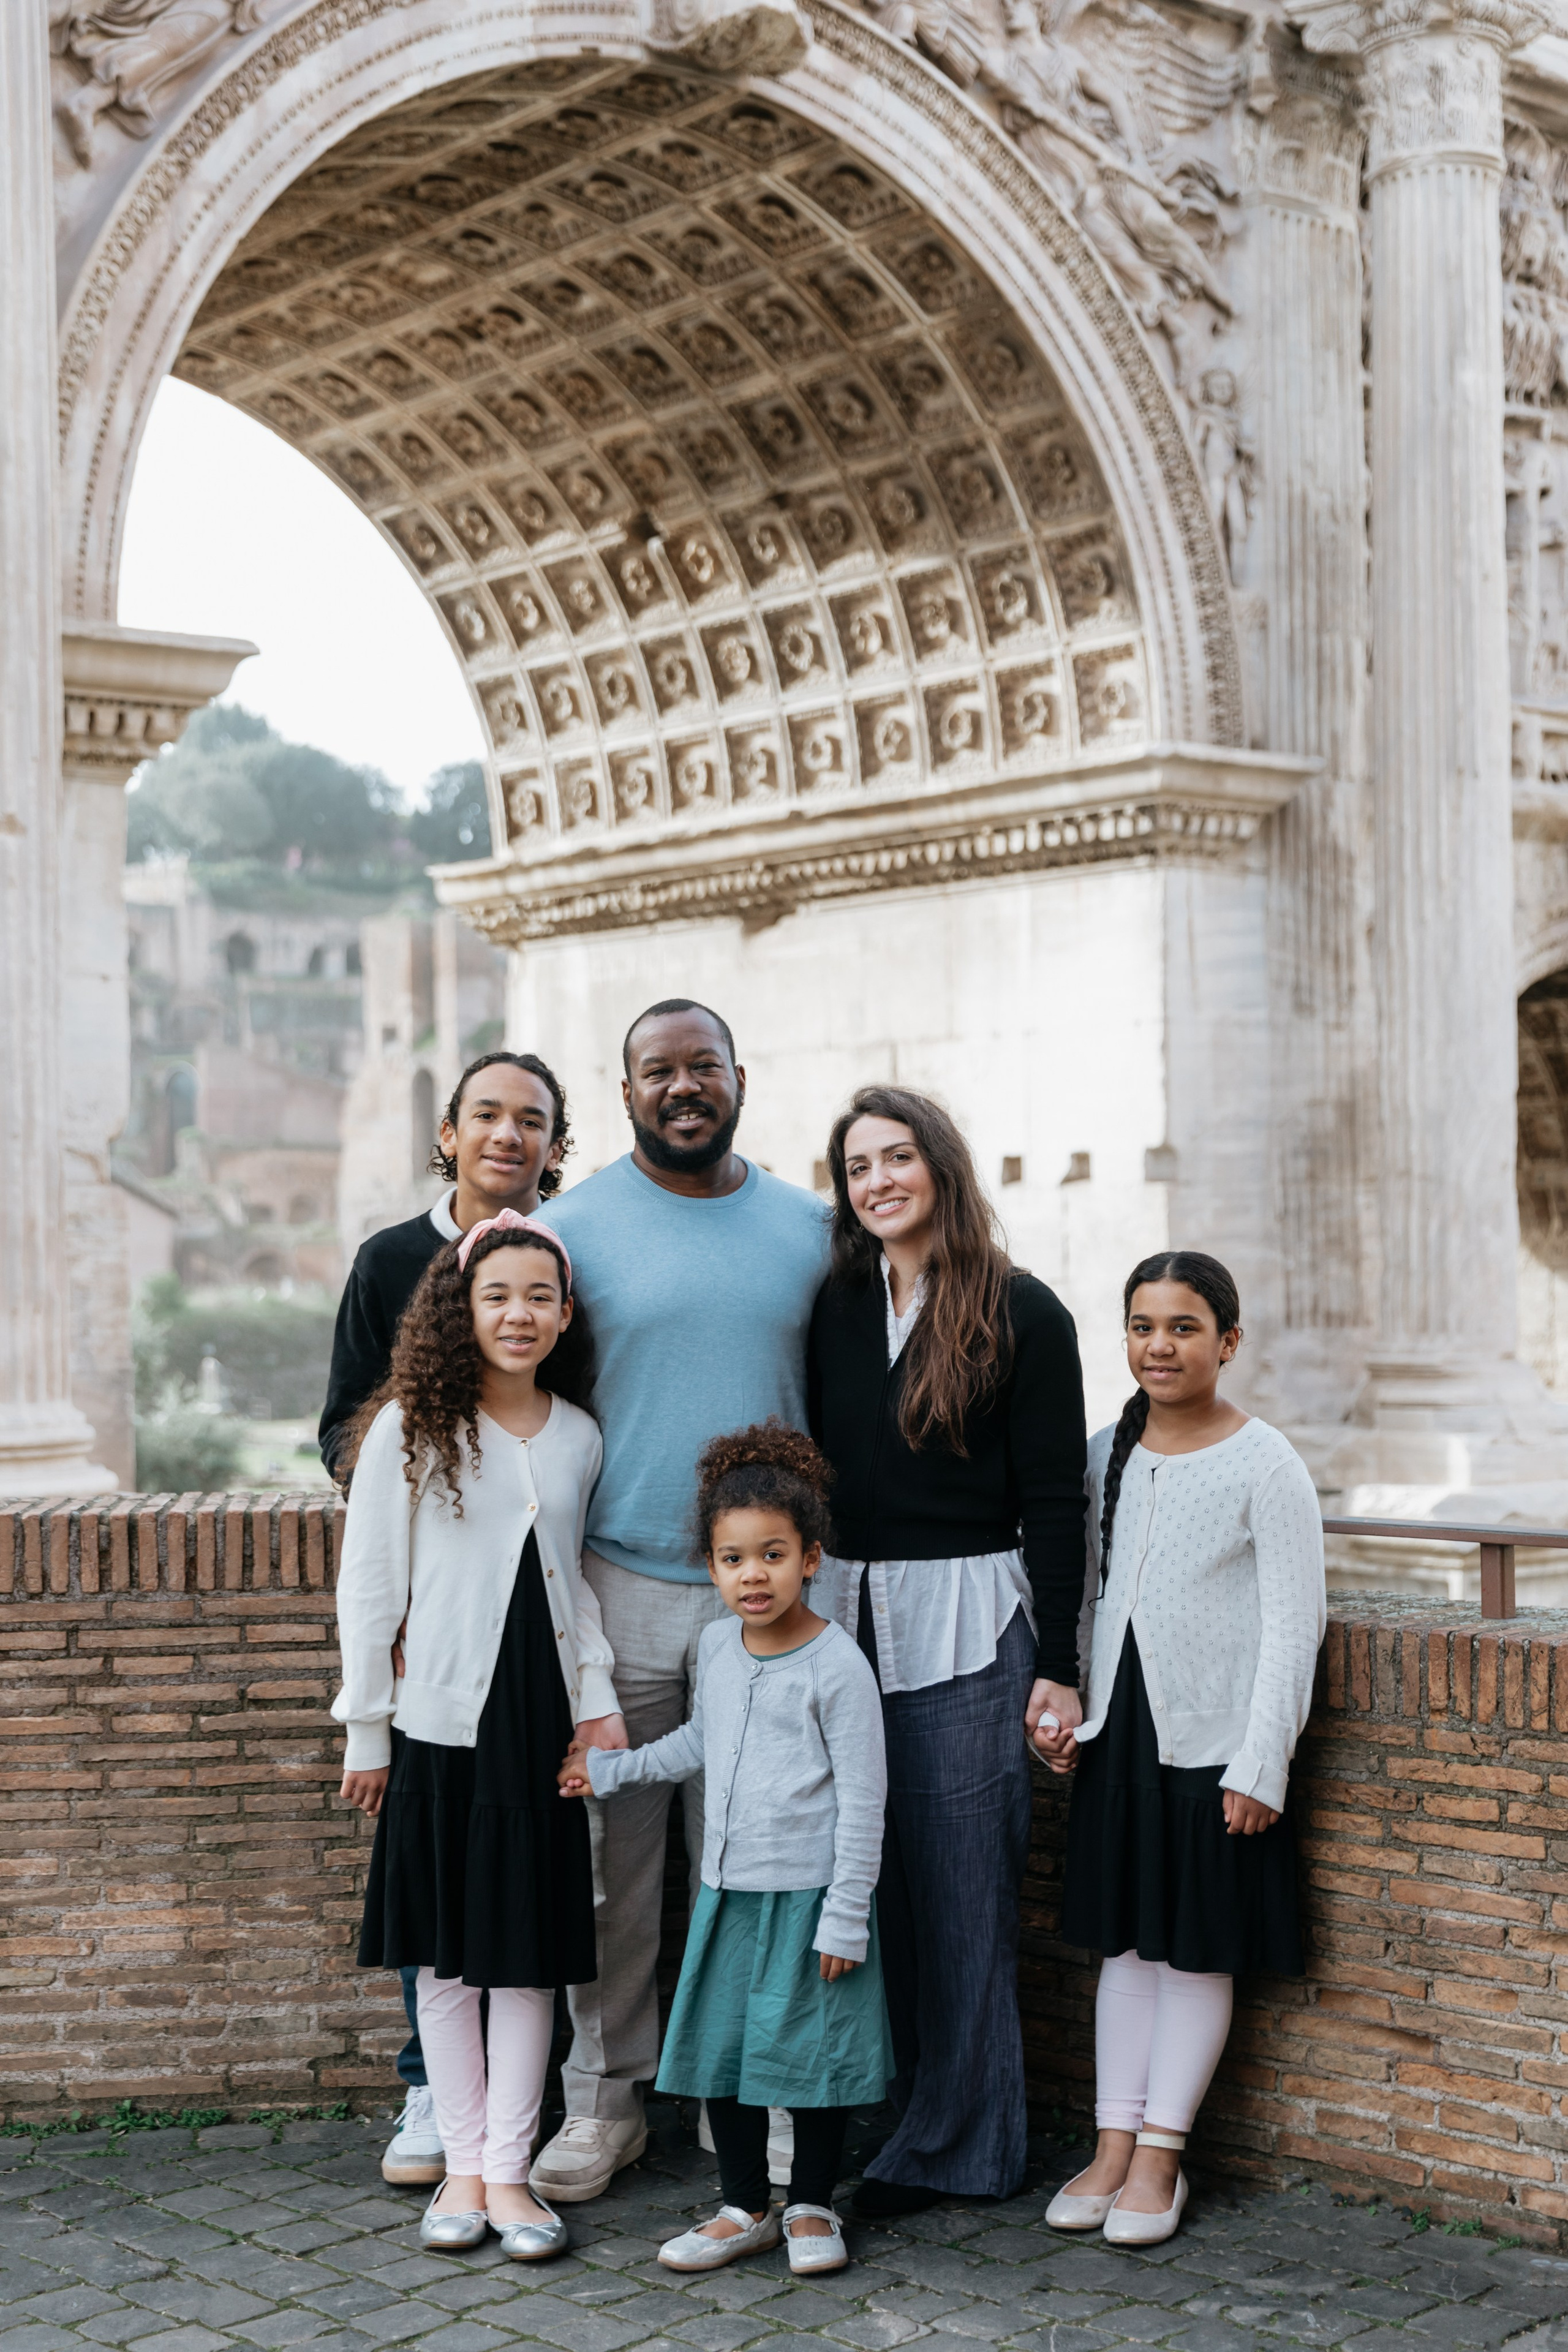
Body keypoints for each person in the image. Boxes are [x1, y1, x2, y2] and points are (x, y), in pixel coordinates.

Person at [530, 999, 831, 2204]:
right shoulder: (572, 1229)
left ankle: (739, 2098)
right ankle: (602, 2105)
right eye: (658, 1072)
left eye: (701, 1066)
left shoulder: (812, 1230)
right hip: (617, 1585)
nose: (682, 1088)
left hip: (765, 1606)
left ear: (739, 1078)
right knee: (610, 1873)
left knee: (753, 1866)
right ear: (627, 1094)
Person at [807, 1085, 1087, 2215]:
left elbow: (1058, 1503)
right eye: (858, 1166)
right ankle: (903, 2120)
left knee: (967, 1895)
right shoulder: (834, 1305)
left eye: (897, 1157)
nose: (879, 1181)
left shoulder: (1025, 1312)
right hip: (843, 1617)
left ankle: (965, 2150)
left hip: (973, 1627)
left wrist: (1059, 1664)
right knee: (873, 1893)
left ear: (943, 1168)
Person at [333, 1208, 625, 2258]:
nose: (519, 1313)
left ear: (564, 1314)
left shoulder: (581, 1434)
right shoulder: (410, 1426)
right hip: (440, 1722)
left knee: (529, 1959)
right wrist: (368, 1729)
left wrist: (598, 1709)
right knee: (452, 1963)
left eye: (539, 1297)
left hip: (539, 1723)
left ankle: (511, 2172)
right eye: (497, 1294)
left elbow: (574, 1586)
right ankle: (460, 2168)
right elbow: (369, 1586)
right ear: (462, 1307)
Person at [1036, 1251, 1324, 2247]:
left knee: (1195, 1949)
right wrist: (1068, 1708)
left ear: (1228, 1342)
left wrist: (1263, 1760)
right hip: (1122, 1730)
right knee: (1126, 1943)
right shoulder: (1104, 1448)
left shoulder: (1266, 1462)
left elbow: (1296, 1623)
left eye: (1185, 1327)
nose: (1160, 1345)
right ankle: (1112, 2144)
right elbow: (1083, 1594)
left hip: (1214, 1744)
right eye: (1143, 1326)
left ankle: (1163, 2152)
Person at [320, 1048, 571, 2185]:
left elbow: (560, 1467)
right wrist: (420, 1590)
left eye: (530, 1120)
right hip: (436, 1644)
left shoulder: (565, 1284)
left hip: (538, 1656)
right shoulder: (389, 1260)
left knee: (523, 1903)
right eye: (486, 1115)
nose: (507, 1134)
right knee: (438, 1898)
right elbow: (352, 1437)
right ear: (449, 1133)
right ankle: (437, 2100)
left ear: (555, 1147)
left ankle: (519, 2128)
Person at [560, 1424, 891, 2274]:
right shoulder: (716, 1648)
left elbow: (864, 1801)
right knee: (727, 2052)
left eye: (773, 1555)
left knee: (810, 2056)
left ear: (810, 1558)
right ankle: (744, 2205)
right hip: (728, 1894)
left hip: (812, 1898)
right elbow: (697, 1743)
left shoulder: (837, 1667)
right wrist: (613, 1769)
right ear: (711, 1567)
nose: (754, 1575)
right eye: (734, 1559)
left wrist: (846, 1916)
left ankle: (813, 2204)